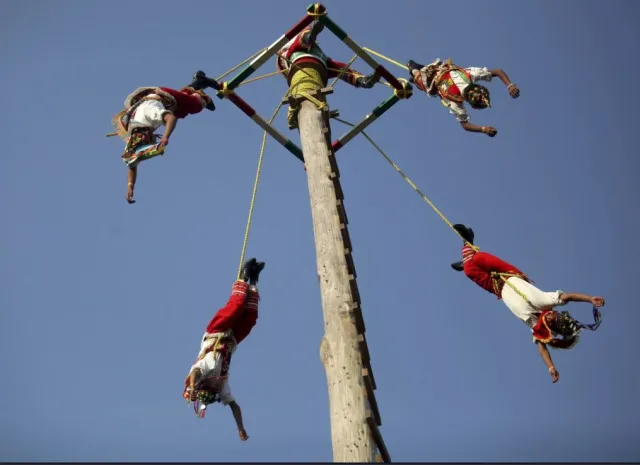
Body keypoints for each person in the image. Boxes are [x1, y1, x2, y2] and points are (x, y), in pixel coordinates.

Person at [450, 224, 604, 383]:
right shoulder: (545, 302)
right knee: (477, 259)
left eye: (553, 321)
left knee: (469, 270)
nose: (551, 316)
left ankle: (465, 262)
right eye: (555, 315)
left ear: (553, 327)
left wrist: (551, 368)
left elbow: (542, 348)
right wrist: (590, 299)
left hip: (496, 287)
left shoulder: (537, 325)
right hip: (507, 274)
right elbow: (569, 297)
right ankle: (468, 239)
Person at [182, 258, 265, 441]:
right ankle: (253, 281)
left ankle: (242, 278)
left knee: (235, 308)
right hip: (231, 341)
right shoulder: (221, 386)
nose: (212, 388)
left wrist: (194, 387)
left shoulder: (203, 373)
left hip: (216, 333)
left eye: (208, 389)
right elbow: (234, 405)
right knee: (250, 318)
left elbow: (195, 373)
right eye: (212, 391)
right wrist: (241, 428)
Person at [108, 83, 216, 204]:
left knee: (194, 106)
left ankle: (202, 96)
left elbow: (171, 119)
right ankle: (196, 84)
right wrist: (130, 186)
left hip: (164, 94)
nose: (154, 137)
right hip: (164, 101)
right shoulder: (132, 136)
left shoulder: (150, 113)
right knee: (181, 112)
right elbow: (132, 164)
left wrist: (165, 137)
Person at [276, 19, 381, 128]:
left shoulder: (314, 48)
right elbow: (293, 46)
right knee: (303, 38)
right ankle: (310, 36)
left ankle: (362, 80)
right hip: (292, 57)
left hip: (317, 60)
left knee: (339, 68)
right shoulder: (288, 47)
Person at [406, 58, 520, 137]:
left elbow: (465, 125)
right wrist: (510, 85)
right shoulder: (469, 76)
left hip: (431, 82)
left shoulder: (457, 100)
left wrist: (483, 129)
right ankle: (414, 70)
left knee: (418, 78)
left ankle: (415, 73)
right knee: (417, 74)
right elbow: (497, 71)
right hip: (436, 70)